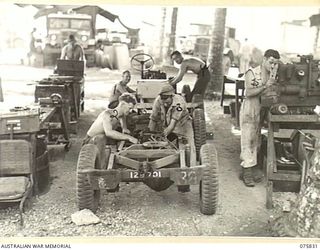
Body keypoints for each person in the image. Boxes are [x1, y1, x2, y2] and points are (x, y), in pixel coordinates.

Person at [239, 49, 280, 187]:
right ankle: (247, 173)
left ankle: (249, 167)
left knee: (256, 140)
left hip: (263, 109)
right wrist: (265, 86)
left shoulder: (273, 75)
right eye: (271, 62)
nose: (273, 65)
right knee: (248, 139)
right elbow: (249, 92)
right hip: (251, 108)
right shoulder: (252, 73)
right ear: (264, 59)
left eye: (275, 63)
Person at [148, 84, 196, 166]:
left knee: (189, 145)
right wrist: (150, 134)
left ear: (172, 96)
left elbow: (172, 124)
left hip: (182, 124)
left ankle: (192, 166)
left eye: (166, 98)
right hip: (167, 124)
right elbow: (153, 118)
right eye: (162, 98)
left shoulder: (179, 103)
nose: (163, 101)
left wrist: (163, 135)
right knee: (163, 144)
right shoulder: (158, 101)